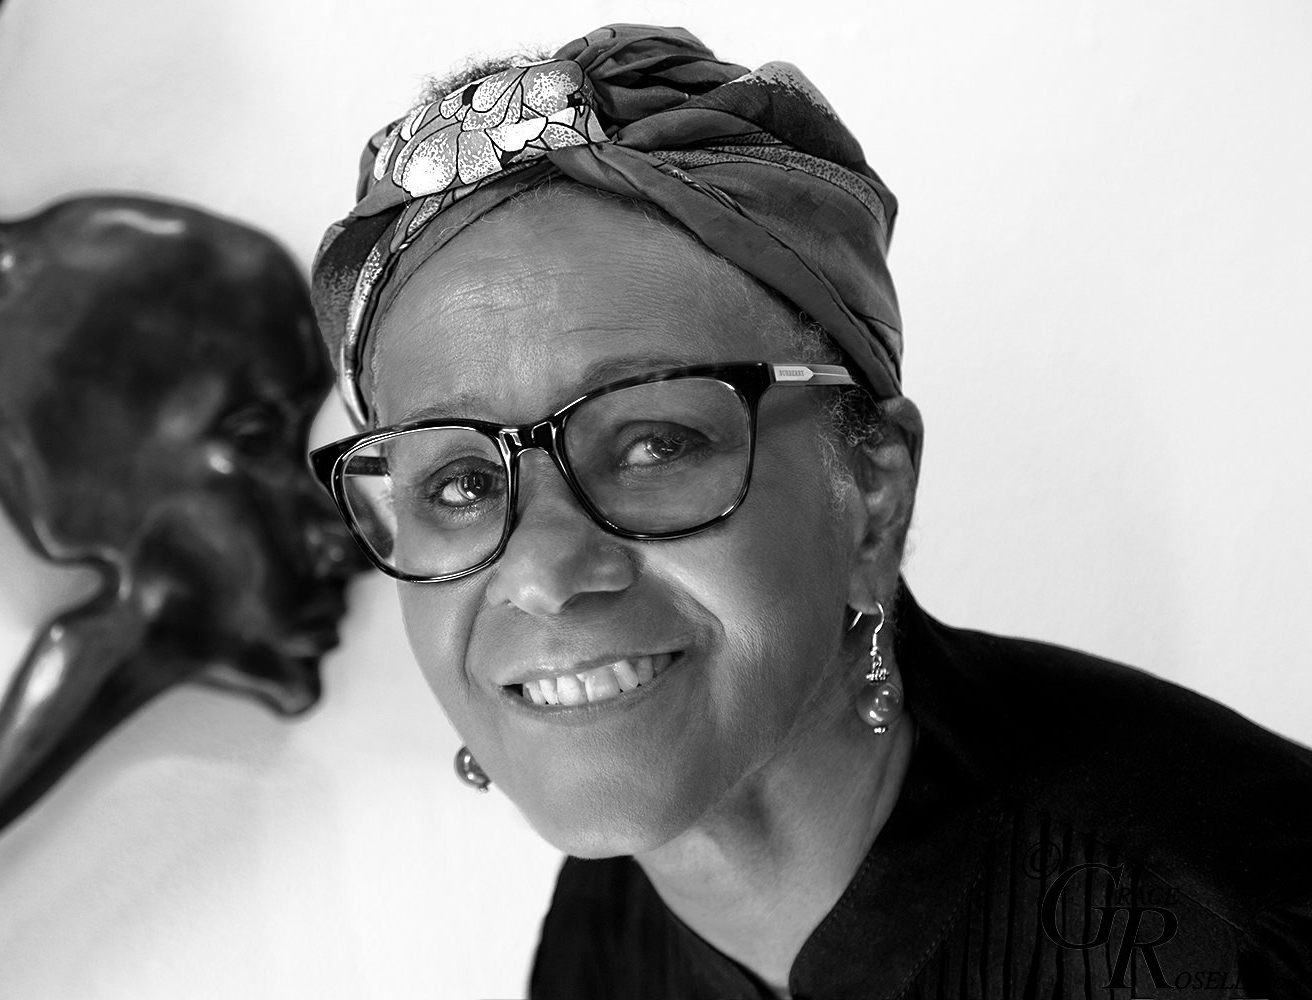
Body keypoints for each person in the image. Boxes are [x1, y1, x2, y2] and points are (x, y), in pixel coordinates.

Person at [307, 24, 1312, 999]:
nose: (543, 569)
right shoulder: (604, 934)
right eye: (460, 484)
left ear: (874, 492)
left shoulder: (1238, 929)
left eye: (654, 444)